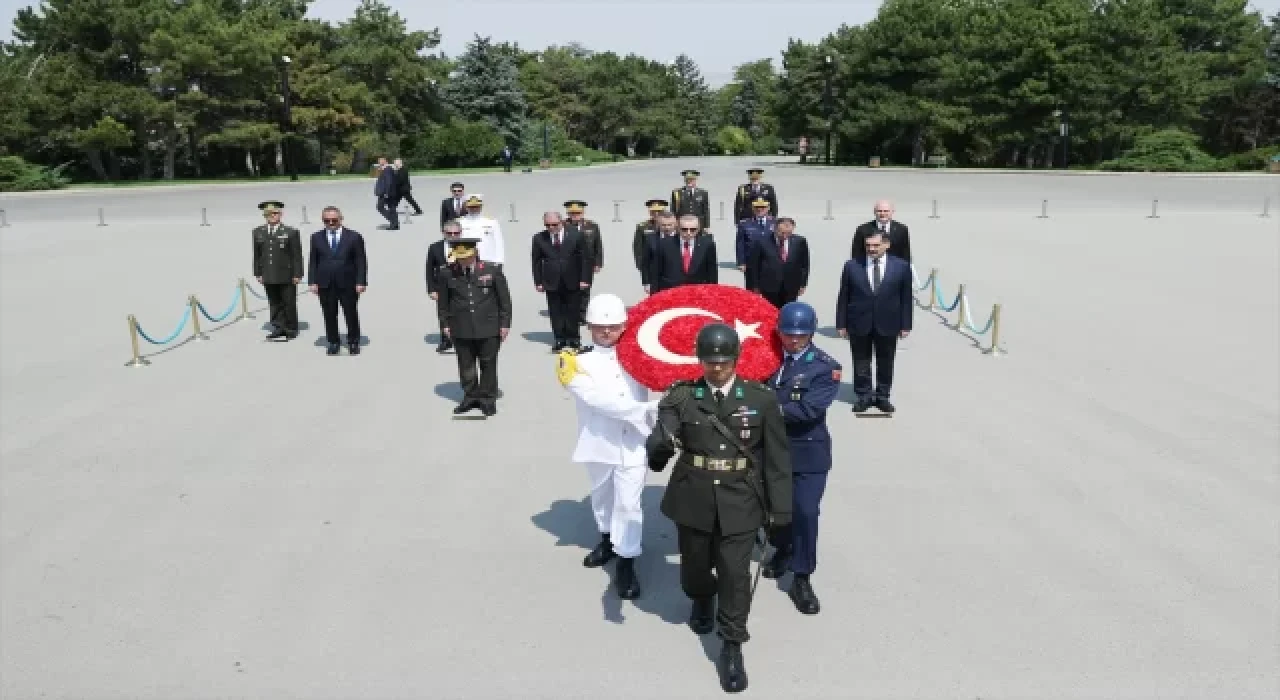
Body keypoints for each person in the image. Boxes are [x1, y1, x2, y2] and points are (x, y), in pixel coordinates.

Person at [646, 322, 792, 694]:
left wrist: (781, 509)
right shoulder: (682, 396)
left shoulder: (760, 399)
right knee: (695, 569)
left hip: (741, 497)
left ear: (736, 359)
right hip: (693, 495)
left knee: (735, 573)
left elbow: (777, 458)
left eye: (724, 362)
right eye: (710, 362)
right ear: (699, 360)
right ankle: (701, 597)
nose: (717, 368)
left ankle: (731, 644)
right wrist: (659, 442)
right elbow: (659, 448)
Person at [557, 293, 659, 600]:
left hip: (633, 442)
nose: (606, 331)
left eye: (613, 326)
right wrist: (650, 409)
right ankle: (606, 540)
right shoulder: (575, 361)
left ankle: (627, 560)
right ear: (588, 326)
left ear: (624, 325)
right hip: (598, 441)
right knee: (602, 498)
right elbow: (596, 399)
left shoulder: (640, 356)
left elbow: (665, 375)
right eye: (600, 326)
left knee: (629, 504)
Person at [760, 302, 840, 615]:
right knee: (774, 509)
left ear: (811, 334)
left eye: (800, 335)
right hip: (772, 450)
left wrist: (762, 410)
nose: (793, 340)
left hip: (807, 452)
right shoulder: (766, 358)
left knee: (806, 512)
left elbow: (808, 410)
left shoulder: (824, 367)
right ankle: (783, 548)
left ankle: (802, 577)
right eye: (788, 333)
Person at [835, 229, 913, 413]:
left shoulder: (901, 267)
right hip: (859, 321)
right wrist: (841, 323)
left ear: (887, 245)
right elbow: (844, 295)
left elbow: (906, 298)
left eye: (876, 245)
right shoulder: (852, 266)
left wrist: (906, 324)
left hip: (889, 322)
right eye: (868, 245)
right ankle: (864, 396)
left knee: (886, 361)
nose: (871, 249)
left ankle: (882, 396)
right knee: (861, 361)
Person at [437, 237, 512, 416]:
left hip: (489, 326)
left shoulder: (491, 270)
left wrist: (505, 324)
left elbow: (505, 301)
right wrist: (445, 324)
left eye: (466, 257)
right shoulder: (447, 273)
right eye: (460, 257)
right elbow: (443, 303)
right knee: (466, 365)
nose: (463, 260)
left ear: (475, 253)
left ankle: (487, 399)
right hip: (460, 326)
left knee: (488, 364)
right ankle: (470, 396)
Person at [307, 206, 368, 356]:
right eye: (327, 220)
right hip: (325, 283)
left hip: (348, 282)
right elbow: (313, 260)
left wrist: (361, 281)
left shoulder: (354, 237)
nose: (331, 223)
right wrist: (312, 281)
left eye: (334, 220)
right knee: (329, 314)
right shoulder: (316, 237)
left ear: (341, 219)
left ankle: (353, 341)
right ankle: (333, 342)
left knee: (350, 313)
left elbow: (361, 260)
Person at [532, 211, 592, 351]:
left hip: (573, 278)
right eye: (547, 225)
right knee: (555, 311)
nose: (551, 228)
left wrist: (585, 279)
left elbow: (585, 258)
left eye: (554, 224)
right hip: (551, 280)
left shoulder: (576, 235)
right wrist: (538, 282)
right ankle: (559, 339)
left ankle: (574, 338)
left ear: (561, 222)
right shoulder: (539, 238)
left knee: (573, 310)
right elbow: (536, 261)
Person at [251, 200, 304, 341]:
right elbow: (257, 255)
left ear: (281, 214)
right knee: (274, 302)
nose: (272, 216)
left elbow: (297, 255)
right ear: (264, 215)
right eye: (269, 214)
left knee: (289, 302)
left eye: (275, 213)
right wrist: (258, 273)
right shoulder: (258, 232)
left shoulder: (291, 232)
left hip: (287, 274)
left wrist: (298, 274)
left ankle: (291, 328)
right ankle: (278, 327)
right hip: (268, 273)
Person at [746, 216, 809, 308]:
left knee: (787, 311)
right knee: (771, 311)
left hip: (791, 286)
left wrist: (803, 284)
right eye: (782, 233)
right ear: (774, 228)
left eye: (788, 233)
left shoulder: (800, 242)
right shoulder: (761, 242)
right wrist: (754, 286)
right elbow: (753, 265)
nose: (784, 236)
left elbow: (804, 265)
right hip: (769, 287)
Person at [649, 215, 718, 294]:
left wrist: (713, 293)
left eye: (693, 230)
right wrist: (653, 294)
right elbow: (656, 272)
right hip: (670, 292)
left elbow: (712, 273)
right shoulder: (664, 244)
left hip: (697, 292)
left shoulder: (707, 245)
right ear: (678, 228)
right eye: (684, 229)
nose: (688, 233)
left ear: (698, 229)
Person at [426, 220, 464, 353]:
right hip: (442, 286)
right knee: (443, 313)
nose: (453, 235)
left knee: (462, 312)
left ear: (461, 233)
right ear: (443, 233)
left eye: (456, 233)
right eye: (449, 233)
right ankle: (446, 340)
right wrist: (431, 289)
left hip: (461, 284)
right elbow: (429, 270)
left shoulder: (467, 246)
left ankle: (462, 339)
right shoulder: (434, 247)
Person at [562, 200, 602, 324]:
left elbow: (598, 245)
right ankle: (570, 314)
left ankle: (582, 314)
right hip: (569, 264)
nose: (575, 215)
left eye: (578, 213)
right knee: (569, 289)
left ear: (583, 213)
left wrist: (598, 263)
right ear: (568, 213)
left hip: (587, 263)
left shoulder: (592, 226)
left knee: (585, 290)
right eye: (572, 213)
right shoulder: (562, 225)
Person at [457, 194, 505, 265]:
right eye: (471, 206)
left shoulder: (491, 222)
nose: (474, 209)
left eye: (476, 206)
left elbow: (498, 242)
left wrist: (500, 261)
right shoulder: (459, 222)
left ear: (481, 206)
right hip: (466, 260)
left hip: (487, 260)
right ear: (466, 207)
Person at [641, 212, 678, 295]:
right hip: (656, 283)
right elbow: (645, 262)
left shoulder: (682, 238)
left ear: (675, 224)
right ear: (658, 224)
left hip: (677, 283)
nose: (667, 228)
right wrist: (646, 283)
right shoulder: (650, 239)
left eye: (670, 225)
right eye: (663, 225)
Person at [734, 197, 775, 271]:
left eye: (763, 207)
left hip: (771, 262)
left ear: (768, 208)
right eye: (757, 207)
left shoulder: (775, 223)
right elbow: (740, 245)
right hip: (751, 262)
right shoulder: (744, 224)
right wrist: (741, 262)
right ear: (752, 208)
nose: (759, 209)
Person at [631, 199, 666, 272]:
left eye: (659, 211)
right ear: (649, 212)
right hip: (649, 265)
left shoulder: (671, 226)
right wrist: (641, 266)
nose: (656, 214)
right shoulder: (642, 227)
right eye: (653, 211)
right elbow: (638, 248)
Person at [671, 169, 711, 234]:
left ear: (695, 180)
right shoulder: (677, 193)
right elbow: (673, 210)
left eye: (692, 179)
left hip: (698, 224)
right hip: (682, 224)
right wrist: (673, 224)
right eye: (687, 179)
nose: (689, 181)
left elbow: (706, 210)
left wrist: (706, 226)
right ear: (684, 180)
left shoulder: (703, 193)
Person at [373, 157, 399, 230]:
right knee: (392, 208)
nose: (379, 163)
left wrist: (386, 193)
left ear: (385, 162)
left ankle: (394, 222)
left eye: (381, 162)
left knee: (380, 207)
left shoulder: (387, 169)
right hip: (390, 192)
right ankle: (395, 224)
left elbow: (388, 182)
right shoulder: (387, 169)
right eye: (379, 162)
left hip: (385, 193)